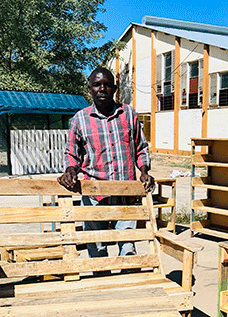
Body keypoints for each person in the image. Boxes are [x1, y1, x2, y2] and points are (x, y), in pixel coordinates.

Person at [58, 67, 155, 261]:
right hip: (94, 195)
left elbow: (141, 148)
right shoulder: (80, 119)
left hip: (125, 194)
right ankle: (100, 285)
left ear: (115, 88)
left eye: (107, 85)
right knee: (96, 248)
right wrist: (70, 171)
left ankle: (125, 286)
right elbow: (72, 154)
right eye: (97, 85)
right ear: (90, 89)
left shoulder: (128, 114)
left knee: (127, 248)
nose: (102, 88)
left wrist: (144, 172)